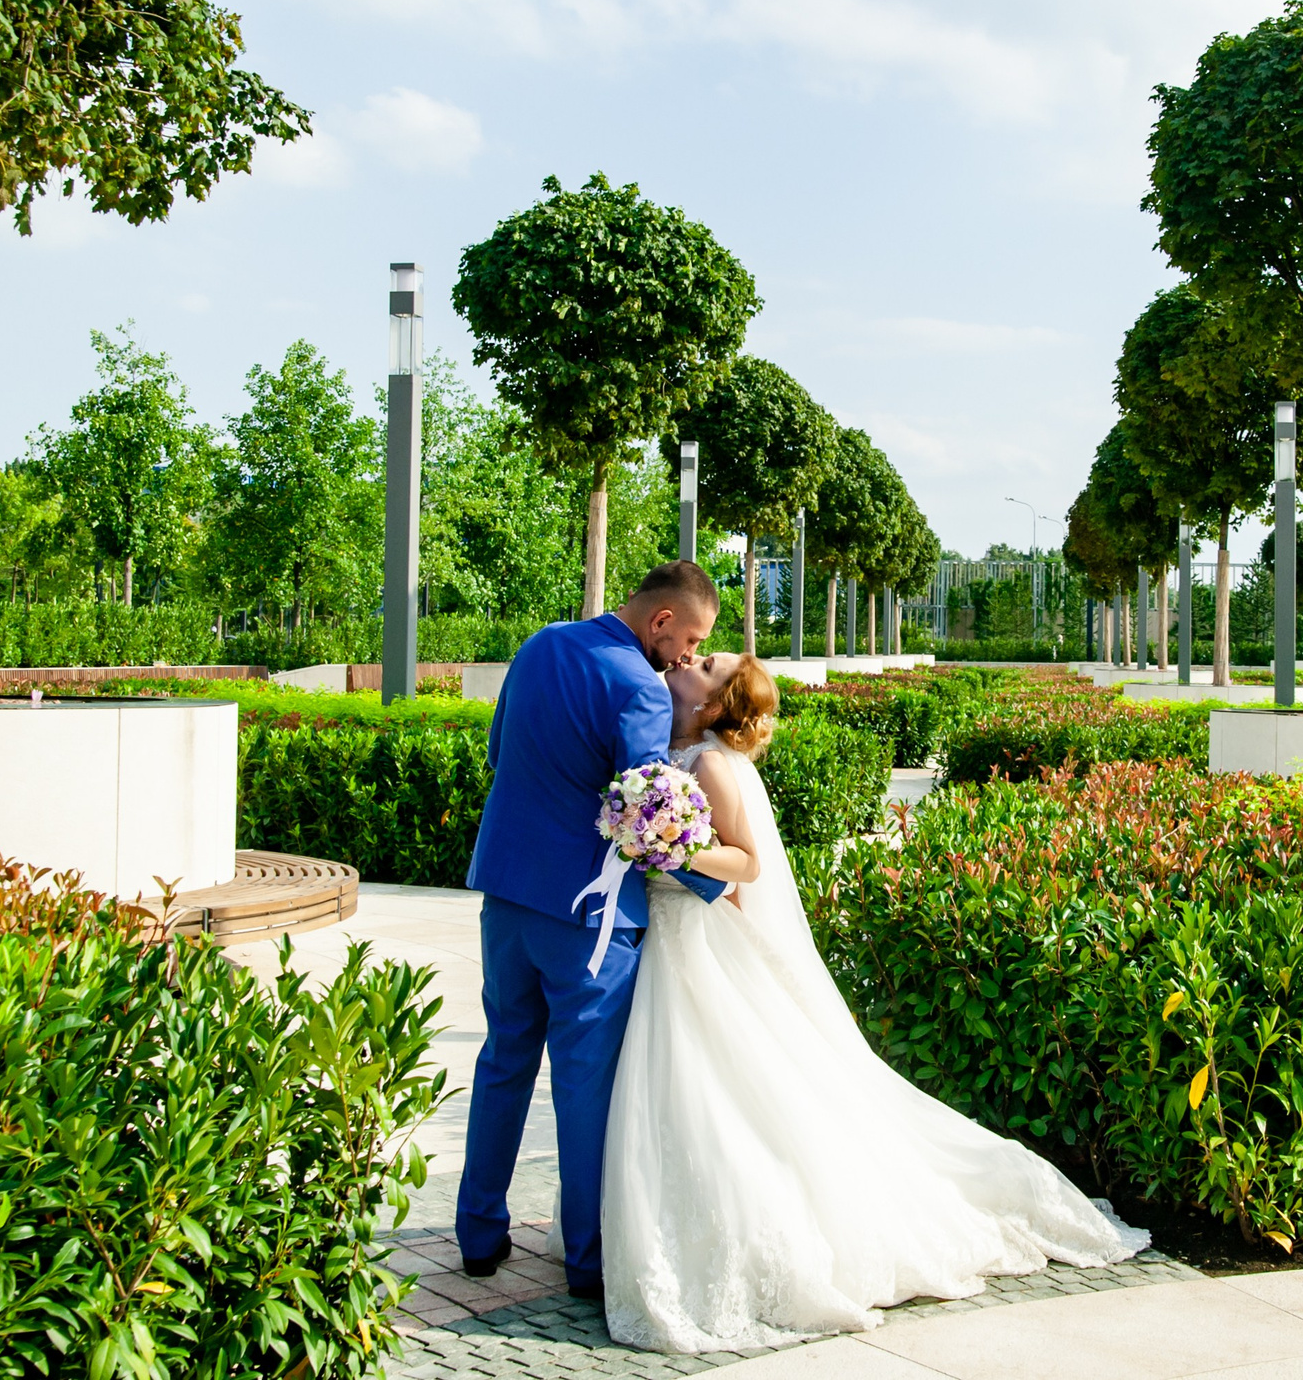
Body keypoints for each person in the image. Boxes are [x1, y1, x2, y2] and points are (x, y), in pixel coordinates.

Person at [598, 650, 1148, 1353]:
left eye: (706, 663)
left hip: (699, 940)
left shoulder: (709, 765)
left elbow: (745, 866)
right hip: (666, 941)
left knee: (711, 1089)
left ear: (711, 706)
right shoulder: (665, 749)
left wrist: (669, 841)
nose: (690, 660)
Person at [455, 562, 733, 1295]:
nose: (686, 657)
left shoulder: (539, 643)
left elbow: (496, 755)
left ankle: (478, 1233)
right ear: (662, 620)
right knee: (584, 1087)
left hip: (506, 893)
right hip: (587, 918)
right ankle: (588, 1261)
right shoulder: (639, 686)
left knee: (503, 1059)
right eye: (692, 638)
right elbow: (647, 814)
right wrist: (716, 882)